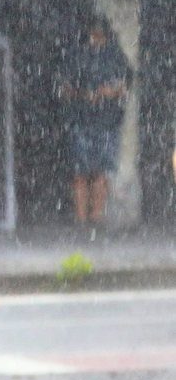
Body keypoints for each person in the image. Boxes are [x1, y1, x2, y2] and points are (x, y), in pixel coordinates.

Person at [59, 16, 131, 231]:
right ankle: (82, 219)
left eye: (99, 35)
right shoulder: (76, 55)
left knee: (101, 171)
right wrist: (83, 94)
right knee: (80, 172)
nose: (95, 39)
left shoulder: (115, 57)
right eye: (93, 34)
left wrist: (108, 92)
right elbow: (64, 87)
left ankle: (96, 218)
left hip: (106, 122)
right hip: (81, 120)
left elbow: (125, 86)